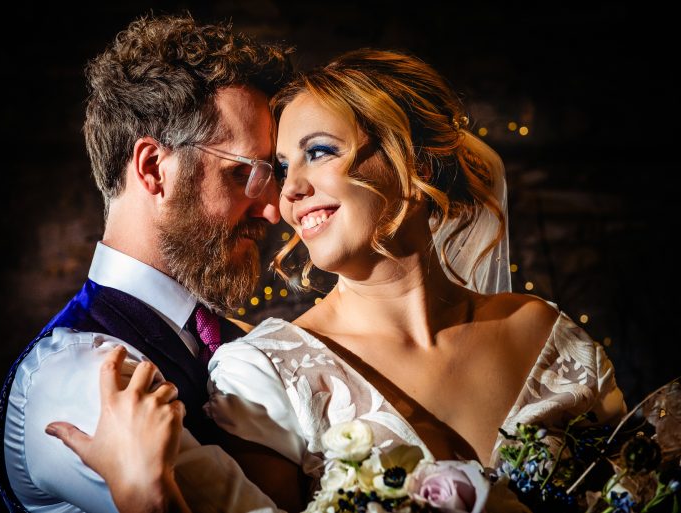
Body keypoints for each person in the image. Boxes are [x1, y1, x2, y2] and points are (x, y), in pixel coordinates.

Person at [50, 49, 627, 510]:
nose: (288, 191)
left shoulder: (545, 332)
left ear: (416, 164)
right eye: (279, 169)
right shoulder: (264, 373)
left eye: (319, 152)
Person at [0, 12, 294, 513]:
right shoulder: (84, 376)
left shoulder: (225, 337)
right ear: (154, 168)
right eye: (244, 175)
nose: (273, 209)